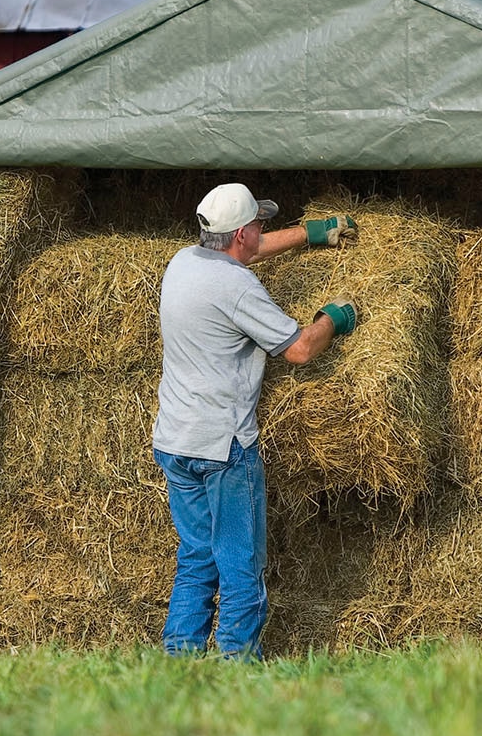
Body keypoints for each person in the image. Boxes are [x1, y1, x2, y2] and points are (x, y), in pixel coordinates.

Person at [151, 181, 358, 657]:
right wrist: (334, 318)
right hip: (222, 449)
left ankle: (178, 660)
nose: (263, 230)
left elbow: (247, 252)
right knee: (240, 562)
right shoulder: (239, 286)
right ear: (241, 232)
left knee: (197, 557)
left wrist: (309, 234)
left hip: (175, 441)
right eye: (259, 223)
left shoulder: (182, 262)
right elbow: (300, 350)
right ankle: (237, 667)